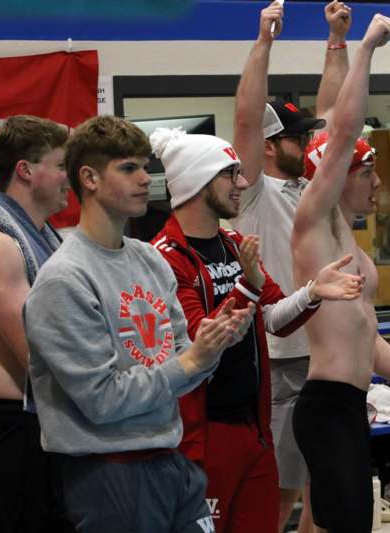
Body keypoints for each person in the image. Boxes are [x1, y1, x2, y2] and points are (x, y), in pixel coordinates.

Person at [23, 115, 254, 533]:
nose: (146, 179)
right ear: (89, 178)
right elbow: (102, 400)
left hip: (170, 460)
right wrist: (190, 362)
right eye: (129, 169)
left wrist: (208, 349)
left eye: (146, 167)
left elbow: (184, 365)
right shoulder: (64, 279)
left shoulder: (149, 259)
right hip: (108, 474)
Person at [150, 125, 363, 533]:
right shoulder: (166, 257)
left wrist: (313, 292)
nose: (242, 183)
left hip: (253, 428)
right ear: (198, 181)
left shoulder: (233, 242)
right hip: (203, 436)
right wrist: (248, 284)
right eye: (230, 174)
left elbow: (273, 318)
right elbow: (203, 340)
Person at [291, 15, 390, 533]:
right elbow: (339, 127)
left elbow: (365, 337)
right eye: (368, 172)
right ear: (336, 178)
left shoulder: (352, 250)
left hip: (352, 406)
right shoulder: (313, 227)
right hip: (328, 406)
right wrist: (366, 49)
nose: (379, 182)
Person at [229, 2, 351, 530]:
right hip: (280, 358)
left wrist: (337, 40)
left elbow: (337, 106)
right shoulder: (253, 192)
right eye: (298, 137)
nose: (307, 145)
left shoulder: (311, 188)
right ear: (272, 145)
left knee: (319, 490)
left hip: (323, 355)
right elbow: (246, 118)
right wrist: (264, 42)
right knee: (278, 495)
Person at [0, 115, 74, 532]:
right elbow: (37, 351)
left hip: (51, 421)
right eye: (61, 165)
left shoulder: (44, 237)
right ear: (25, 170)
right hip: (21, 423)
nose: (69, 177)